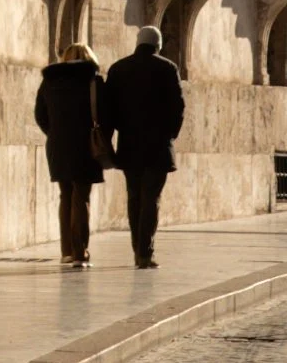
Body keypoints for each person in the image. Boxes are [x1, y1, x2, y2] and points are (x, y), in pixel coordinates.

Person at [103, 25, 185, 269]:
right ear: (158, 45)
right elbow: (178, 106)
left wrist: (117, 132)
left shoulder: (118, 68)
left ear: (138, 42)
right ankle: (145, 253)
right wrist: (170, 133)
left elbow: (109, 108)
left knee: (134, 197)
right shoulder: (168, 68)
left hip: (129, 143)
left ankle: (136, 249)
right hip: (158, 145)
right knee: (151, 198)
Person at [34, 42, 106, 269]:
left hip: (57, 145)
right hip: (85, 144)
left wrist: (54, 133)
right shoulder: (93, 81)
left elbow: (40, 114)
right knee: (81, 196)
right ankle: (79, 252)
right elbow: (105, 114)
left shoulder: (49, 81)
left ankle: (66, 251)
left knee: (65, 196)